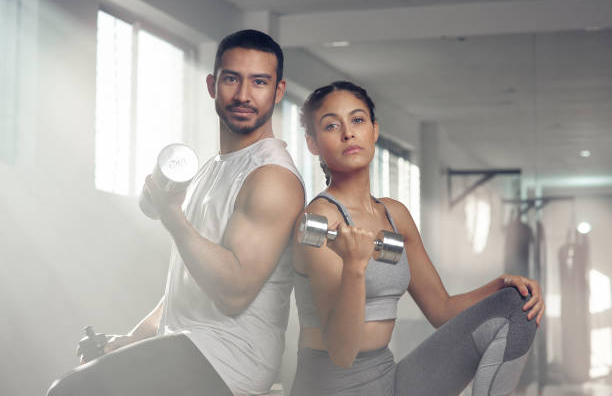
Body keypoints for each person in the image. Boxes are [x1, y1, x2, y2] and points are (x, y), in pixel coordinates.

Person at [47, 29, 305, 396]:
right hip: (191, 344)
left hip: (231, 360)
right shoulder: (212, 167)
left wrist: (175, 219)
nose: (244, 94)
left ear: (278, 91)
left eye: (259, 82)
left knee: (70, 392)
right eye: (232, 79)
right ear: (212, 85)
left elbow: (234, 292)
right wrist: (131, 340)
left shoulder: (272, 177)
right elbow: (188, 286)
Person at [290, 81, 544, 396]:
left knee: (516, 305)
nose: (348, 133)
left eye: (357, 120)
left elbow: (441, 309)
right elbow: (342, 354)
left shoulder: (395, 215)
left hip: (388, 381)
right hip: (333, 387)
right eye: (331, 125)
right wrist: (354, 265)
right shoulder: (321, 221)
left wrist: (500, 286)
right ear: (313, 143)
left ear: (374, 130)